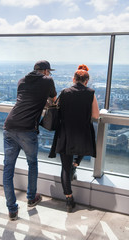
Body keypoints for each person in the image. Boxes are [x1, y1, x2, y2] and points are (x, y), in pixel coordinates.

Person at [3, 60, 57, 220]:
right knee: (32, 163)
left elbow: (25, 99)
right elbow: (54, 99)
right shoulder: (48, 81)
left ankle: (12, 209)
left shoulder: (22, 80)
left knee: (8, 169)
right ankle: (31, 197)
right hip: (27, 129)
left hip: (9, 126)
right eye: (49, 72)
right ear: (46, 71)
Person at [49, 64, 99, 212]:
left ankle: (69, 199)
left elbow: (56, 108)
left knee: (64, 167)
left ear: (73, 79)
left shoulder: (65, 92)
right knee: (85, 145)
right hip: (82, 132)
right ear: (86, 81)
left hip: (65, 132)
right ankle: (76, 163)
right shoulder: (91, 93)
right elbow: (96, 115)